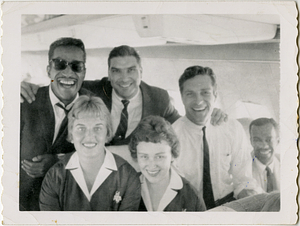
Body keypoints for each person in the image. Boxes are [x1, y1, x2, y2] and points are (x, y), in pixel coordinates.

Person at [21, 45, 227, 147]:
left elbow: (182, 124)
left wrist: (211, 114)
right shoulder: (92, 90)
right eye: (116, 71)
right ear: (109, 74)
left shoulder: (159, 98)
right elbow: (62, 85)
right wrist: (27, 88)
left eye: (130, 70)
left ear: (141, 72)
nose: (124, 78)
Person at [172, 65, 260, 210]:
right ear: (181, 97)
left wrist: (252, 204)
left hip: (228, 204)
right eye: (190, 94)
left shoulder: (232, 128)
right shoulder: (172, 136)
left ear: (215, 94)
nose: (198, 101)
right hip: (189, 209)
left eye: (205, 93)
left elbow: (243, 179)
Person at [20, 37, 91, 211]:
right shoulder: (24, 101)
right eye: (60, 64)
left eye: (76, 66)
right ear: (48, 70)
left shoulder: (93, 106)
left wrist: (58, 161)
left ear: (84, 72)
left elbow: (99, 154)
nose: (68, 73)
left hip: (67, 206)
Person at [39, 95, 141, 211]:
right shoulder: (54, 176)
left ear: (107, 133)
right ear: (71, 134)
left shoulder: (128, 177)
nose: (89, 136)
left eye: (97, 128)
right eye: (81, 128)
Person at [128, 115, 206, 211]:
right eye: (144, 156)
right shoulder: (127, 189)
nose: (152, 165)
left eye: (159, 156)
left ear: (172, 155)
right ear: (136, 156)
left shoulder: (192, 197)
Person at [249, 118, 280, 192]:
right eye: (257, 140)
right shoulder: (242, 169)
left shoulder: (291, 165)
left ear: (277, 141)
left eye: (268, 140)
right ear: (251, 141)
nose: (263, 146)